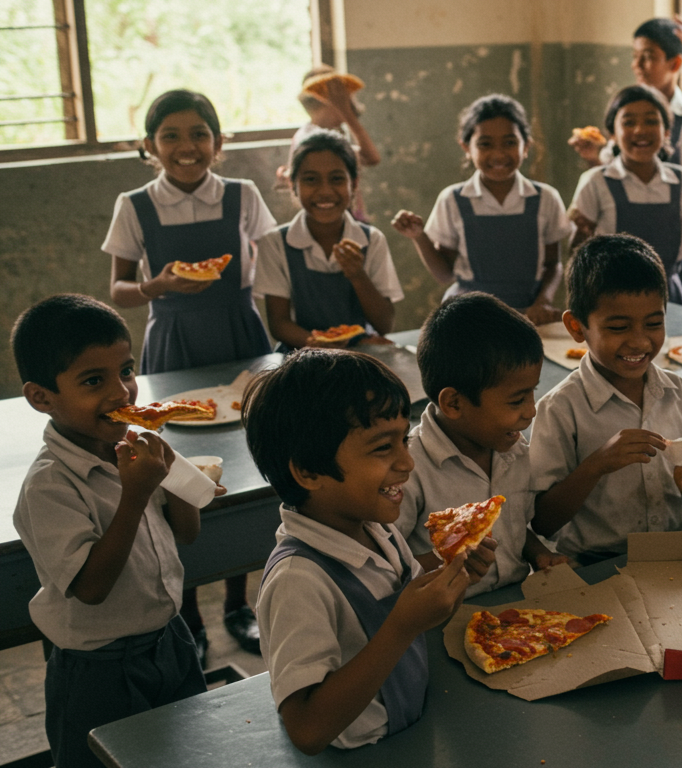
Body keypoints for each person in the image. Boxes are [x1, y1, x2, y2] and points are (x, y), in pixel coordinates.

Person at [245, 349, 490, 753]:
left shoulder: (378, 531)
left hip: (410, 734)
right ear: (308, 471)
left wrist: (455, 576)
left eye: (405, 440)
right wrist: (401, 627)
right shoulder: (297, 582)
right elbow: (306, 729)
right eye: (382, 448)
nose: (407, 462)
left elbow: (414, 611)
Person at [103, 89, 275, 661]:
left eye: (199, 133)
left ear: (218, 143)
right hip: (173, 342)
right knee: (179, 470)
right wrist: (159, 286)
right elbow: (120, 288)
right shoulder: (135, 204)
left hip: (240, 337)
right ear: (149, 147)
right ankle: (189, 611)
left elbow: (271, 262)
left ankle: (238, 602)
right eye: (170, 135)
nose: (186, 146)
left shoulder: (242, 195)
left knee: (244, 466)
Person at [11, 295, 210, 768]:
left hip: (171, 640)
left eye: (126, 370)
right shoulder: (49, 486)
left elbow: (188, 532)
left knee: (190, 751)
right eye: (93, 380)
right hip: (98, 669)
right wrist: (135, 493)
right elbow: (92, 588)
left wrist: (174, 472)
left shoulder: (135, 445)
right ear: (42, 397)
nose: (122, 393)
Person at [530, 234, 682, 564]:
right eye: (618, 327)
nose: (640, 341)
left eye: (654, 323)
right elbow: (542, 522)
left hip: (673, 553)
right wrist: (596, 465)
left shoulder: (676, 392)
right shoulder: (560, 408)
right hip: (595, 564)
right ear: (576, 327)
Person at [397, 292, 568, 585]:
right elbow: (388, 569)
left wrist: (538, 552)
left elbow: (513, 526)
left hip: (517, 609)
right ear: (453, 403)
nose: (531, 411)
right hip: (443, 618)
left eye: (532, 393)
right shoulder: (407, 472)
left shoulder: (512, 449)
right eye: (516, 401)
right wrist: (448, 556)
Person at [569, 16, 682, 310]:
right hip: (618, 270)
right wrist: (594, 159)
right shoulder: (627, 110)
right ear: (615, 131)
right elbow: (611, 178)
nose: (638, 66)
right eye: (635, 57)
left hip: (681, 231)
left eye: (648, 57)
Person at [392, 94, 571, 323]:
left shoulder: (545, 198)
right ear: (466, 147)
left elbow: (552, 265)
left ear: (526, 146)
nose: (498, 154)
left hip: (528, 315)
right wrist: (419, 237)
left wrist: (543, 301)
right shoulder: (453, 200)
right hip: (469, 316)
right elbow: (444, 275)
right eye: (485, 144)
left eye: (509, 142)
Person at [569, 86, 682, 306]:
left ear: (667, 132)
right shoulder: (596, 181)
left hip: (668, 297)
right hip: (611, 296)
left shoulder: (681, 180)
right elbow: (574, 252)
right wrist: (582, 233)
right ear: (612, 134)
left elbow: (679, 238)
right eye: (628, 122)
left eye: (651, 121)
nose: (640, 130)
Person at [257, 129, 401, 349]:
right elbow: (279, 324)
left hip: (359, 355)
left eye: (336, 179)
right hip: (301, 355)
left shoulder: (371, 240)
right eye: (311, 180)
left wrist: (357, 275)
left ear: (354, 184)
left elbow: (384, 324)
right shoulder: (276, 243)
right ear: (292, 185)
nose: (324, 191)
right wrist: (321, 345)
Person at [279, 65, 381, 221]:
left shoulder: (337, 133)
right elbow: (371, 157)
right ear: (325, 101)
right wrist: (344, 110)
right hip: (330, 218)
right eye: (345, 99)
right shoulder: (312, 138)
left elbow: (370, 158)